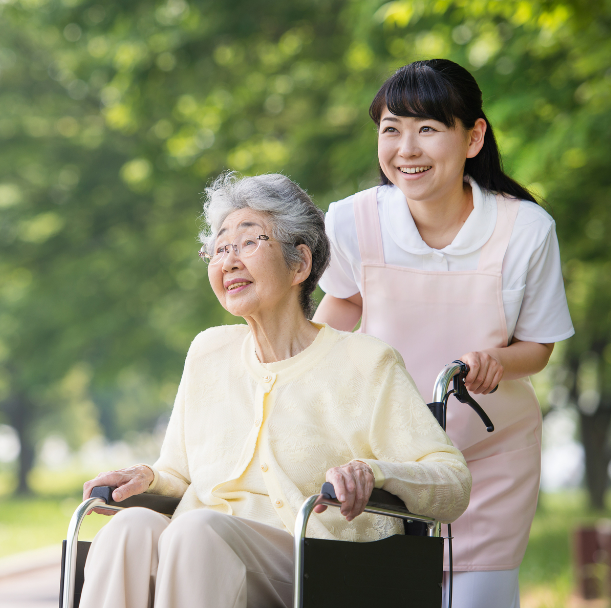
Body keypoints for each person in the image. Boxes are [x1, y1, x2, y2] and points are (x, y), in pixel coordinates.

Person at [79, 172, 471, 608]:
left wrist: (375, 473)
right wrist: (149, 478)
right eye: (220, 247)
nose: (228, 260)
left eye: (248, 242)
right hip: (202, 550)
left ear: (299, 264)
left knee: (196, 532)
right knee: (127, 529)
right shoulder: (208, 350)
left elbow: (452, 481)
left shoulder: (365, 362)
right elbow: (180, 473)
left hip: (320, 566)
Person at [313, 59, 574, 608]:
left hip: (488, 456)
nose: (406, 149)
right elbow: (342, 305)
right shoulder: (352, 220)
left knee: (479, 595)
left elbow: (540, 346)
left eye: (427, 130)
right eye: (392, 130)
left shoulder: (525, 229)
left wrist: (498, 361)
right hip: (381, 455)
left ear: (473, 136)